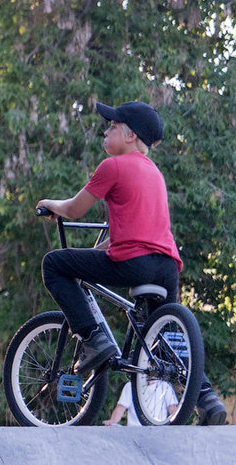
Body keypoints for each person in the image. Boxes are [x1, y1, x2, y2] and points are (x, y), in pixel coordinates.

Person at [37, 100, 227, 426]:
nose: (105, 130)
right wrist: (99, 250)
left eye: (111, 126)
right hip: (167, 266)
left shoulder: (113, 166)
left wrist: (49, 204)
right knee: (163, 336)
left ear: (128, 134)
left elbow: (74, 210)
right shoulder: (155, 174)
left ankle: (93, 340)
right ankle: (207, 399)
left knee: (54, 264)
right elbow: (135, 229)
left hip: (134, 263)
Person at [104, 380, 177, 426]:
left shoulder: (165, 386)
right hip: (135, 430)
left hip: (158, 431)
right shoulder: (131, 386)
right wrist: (112, 422)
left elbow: (172, 410)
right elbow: (120, 408)